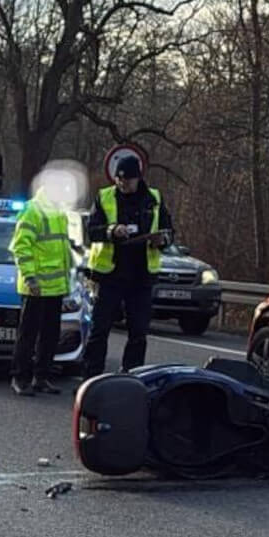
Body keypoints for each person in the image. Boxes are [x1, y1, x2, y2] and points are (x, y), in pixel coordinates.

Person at [82, 155, 173, 376]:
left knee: (138, 332)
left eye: (127, 180)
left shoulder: (154, 199)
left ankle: (131, 377)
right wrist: (111, 231)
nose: (122, 184)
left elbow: (169, 231)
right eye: (119, 180)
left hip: (141, 277)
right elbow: (91, 231)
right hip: (110, 275)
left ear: (138, 178)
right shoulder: (104, 197)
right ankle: (91, 377)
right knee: (99, 330)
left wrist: (162, 241)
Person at [9, 190, 73, 396]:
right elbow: (20, 247)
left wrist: (67, 283)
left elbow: (62, 251)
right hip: (35, 287)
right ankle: (20, 379)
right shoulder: (32, 210)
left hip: (55, 287)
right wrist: (30, 277)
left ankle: (41, 377)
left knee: (50, 335)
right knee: (28, 335)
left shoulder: (59, 212)